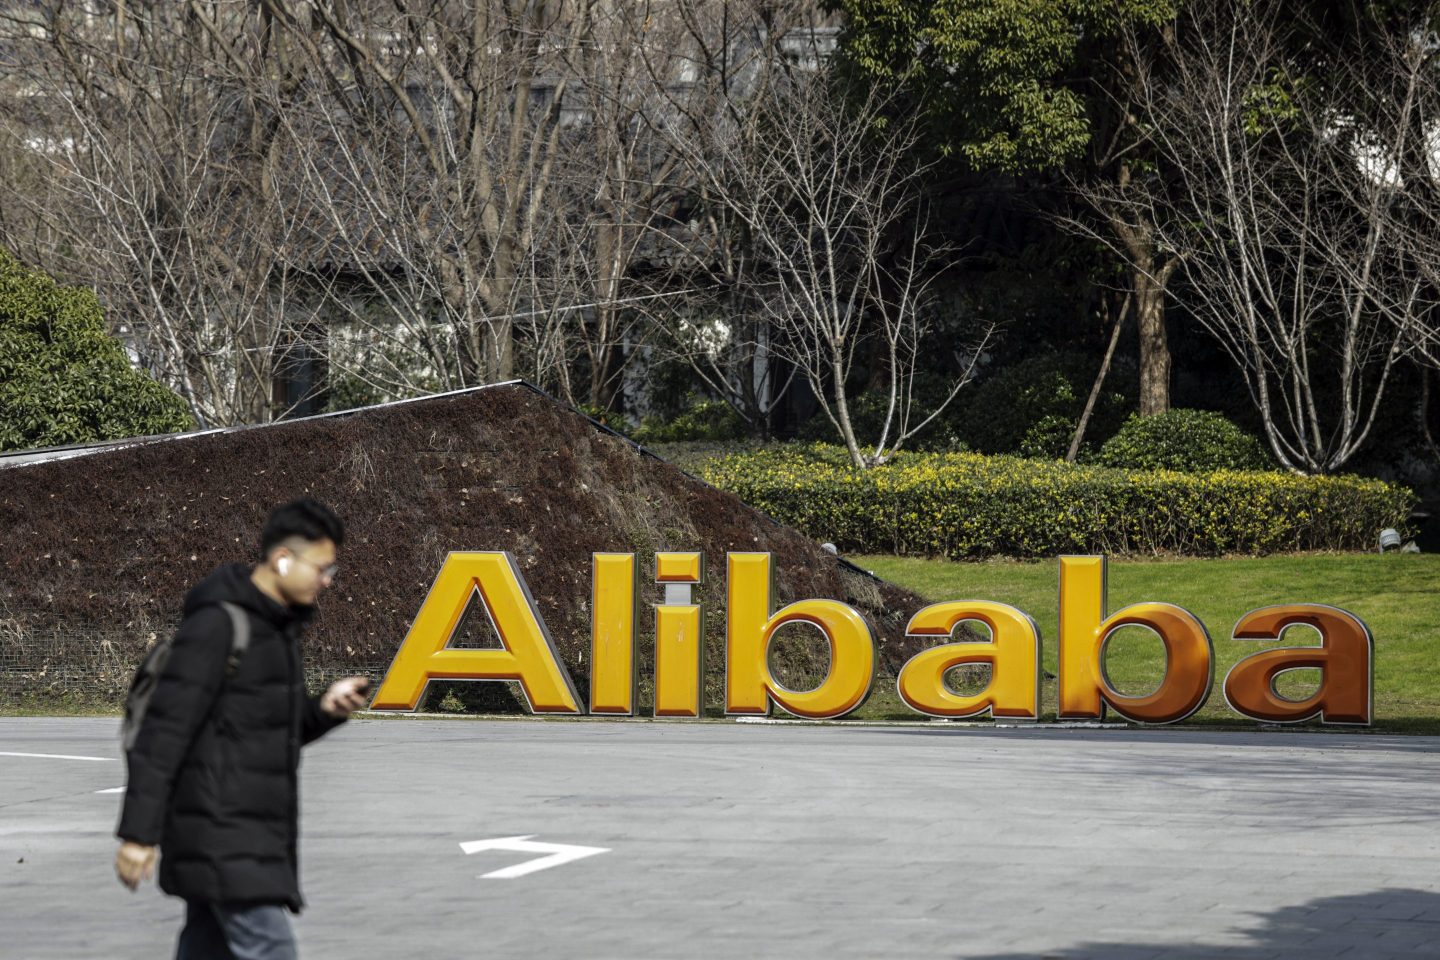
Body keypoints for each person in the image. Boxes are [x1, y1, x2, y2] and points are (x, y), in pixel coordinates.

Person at [114, 497, 370, 960]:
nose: (328, 581)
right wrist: (138, 835)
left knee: (206, 948)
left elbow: (271, 732)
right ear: (283, 558)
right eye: (322, 568)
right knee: (271, 951)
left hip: (248, 832)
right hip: (222, 834)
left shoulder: (277, 631)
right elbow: (163, 733)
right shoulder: (218, 625)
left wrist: (325, 709)